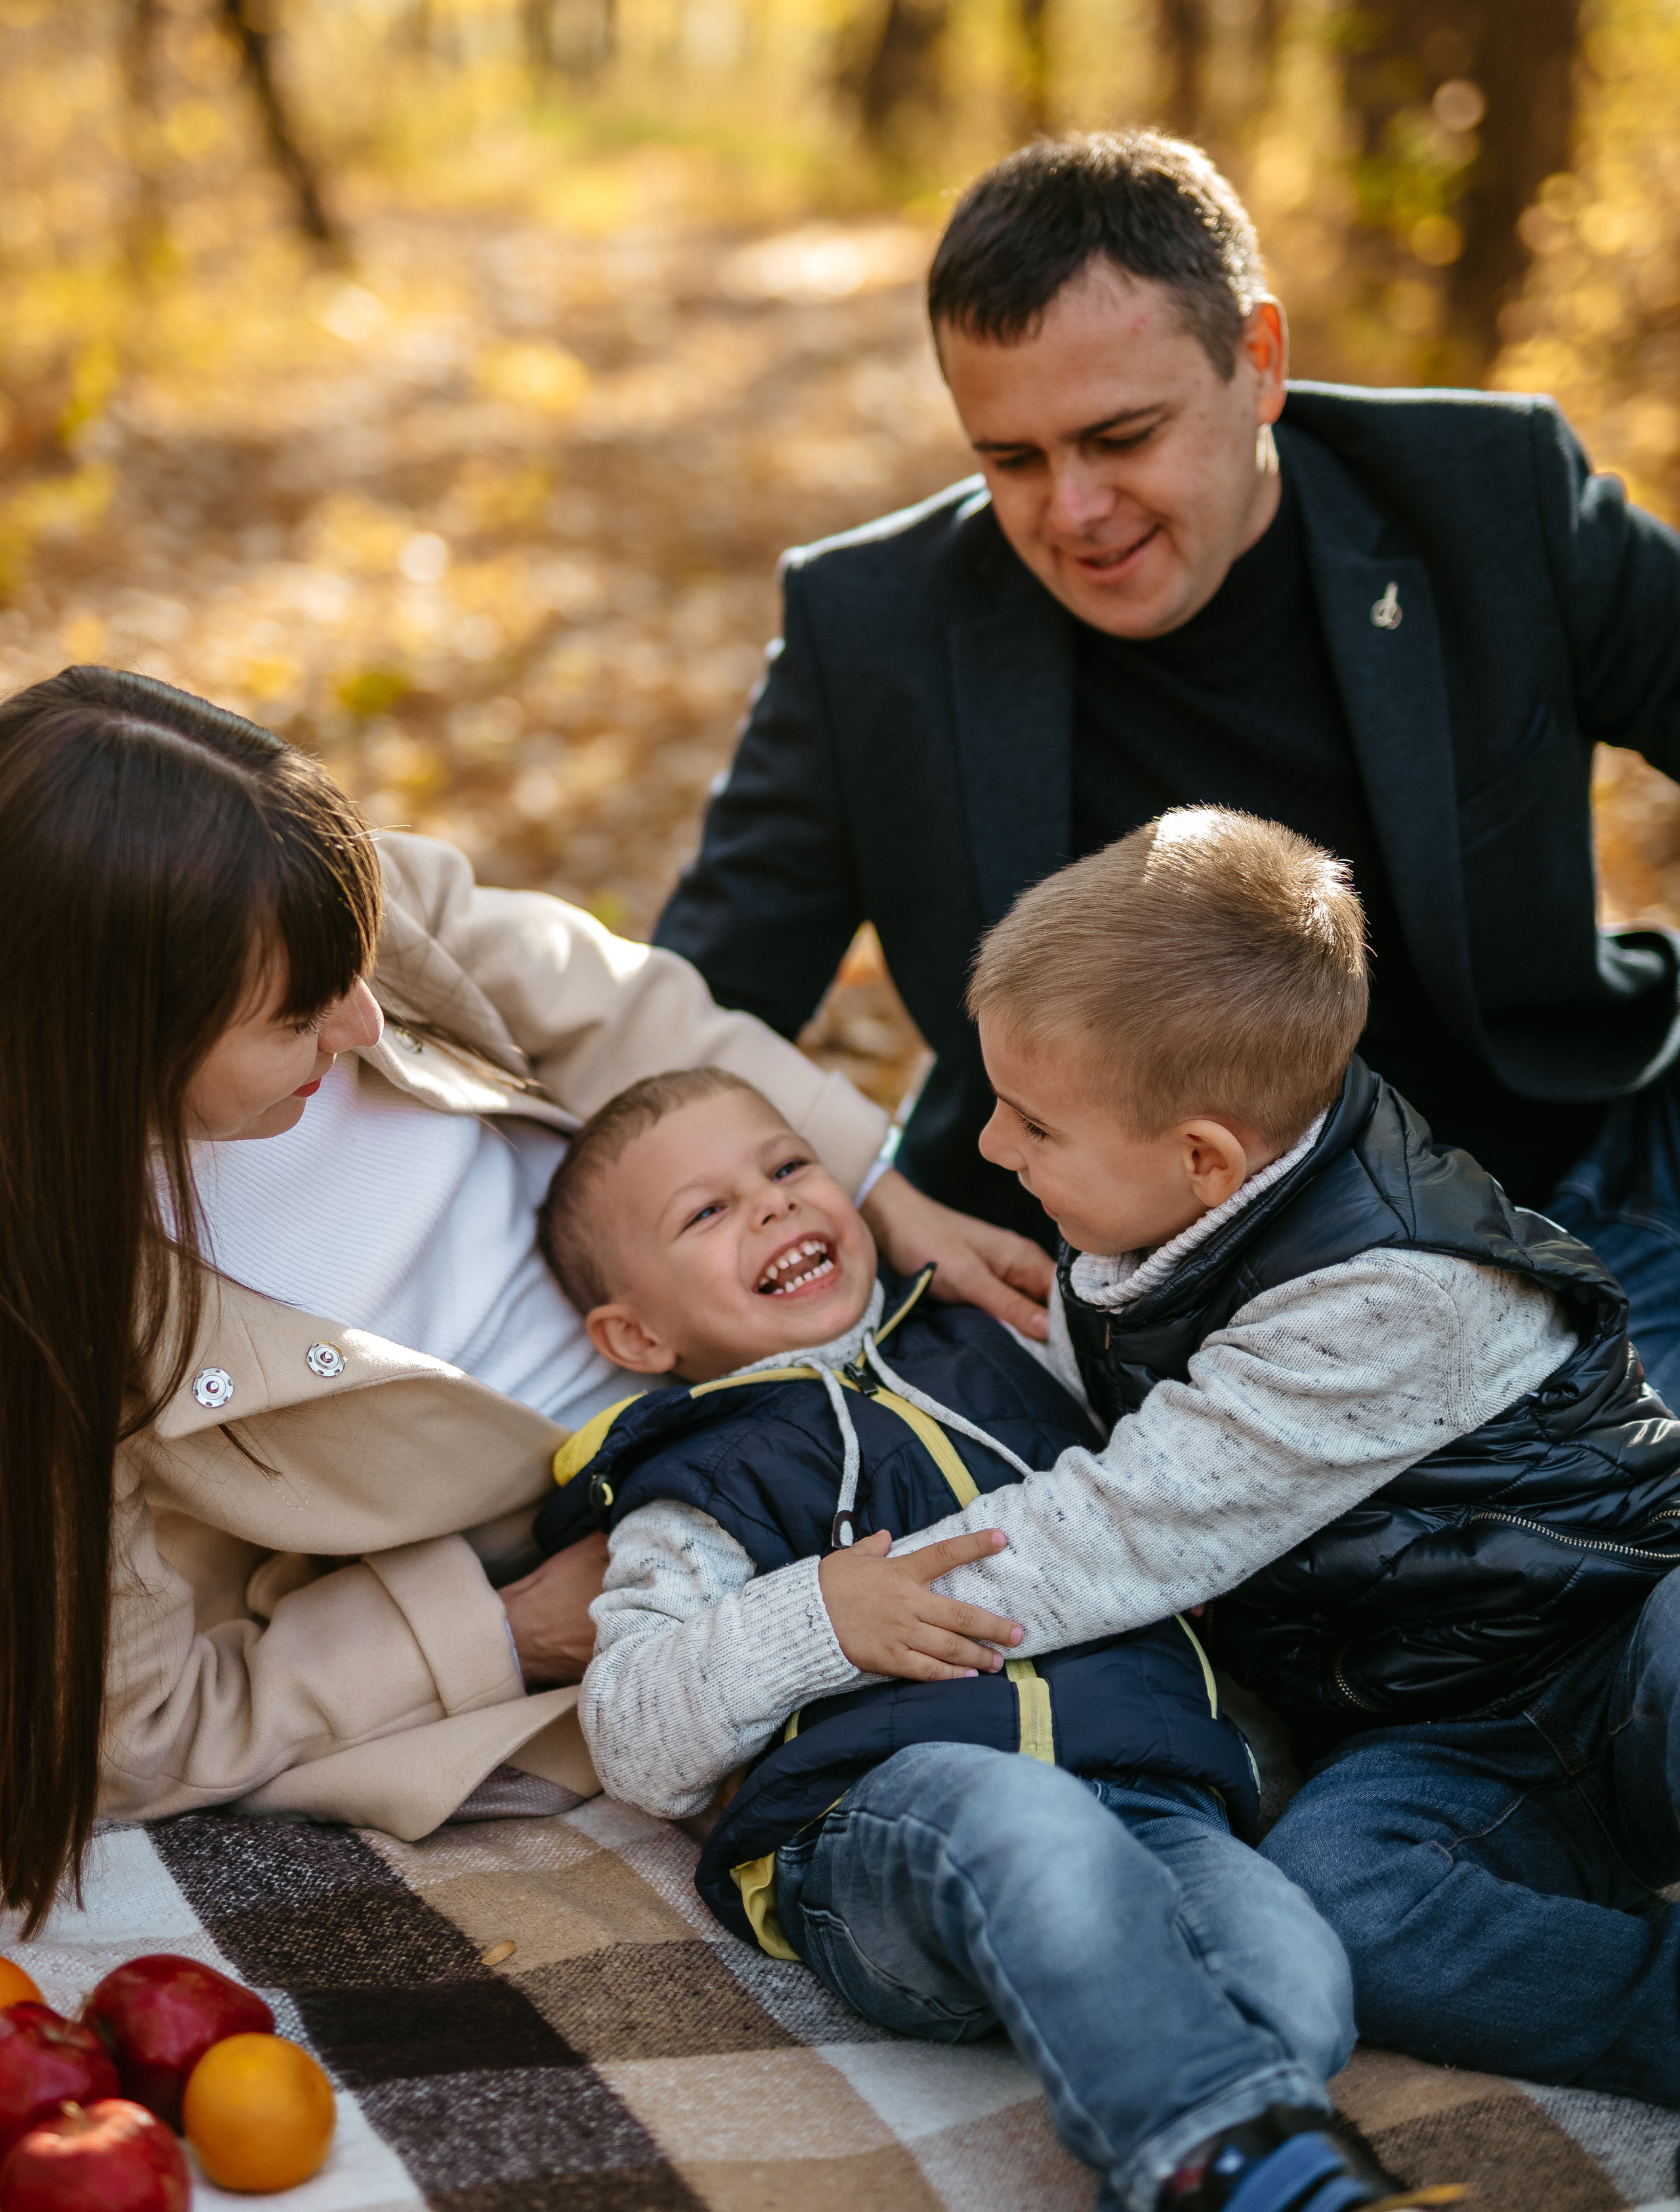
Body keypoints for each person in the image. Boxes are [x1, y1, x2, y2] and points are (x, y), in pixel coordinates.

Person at [0, 664, 1042, 1935]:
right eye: (293, 1020)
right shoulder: (53, 1317)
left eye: (358, 961)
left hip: (815, 1331)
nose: (366, 1019)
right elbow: (141, 1730)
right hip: (641, 1545)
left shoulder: (293, 904)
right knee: (973, 1796)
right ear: (113, 1045)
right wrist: (501, 1630)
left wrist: (879, 1184)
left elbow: (616, 1005)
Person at [664, 808, 1680, 2106]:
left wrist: (816, 1624)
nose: (986, 1150)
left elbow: (1106, 1535)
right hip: (1440, 1728)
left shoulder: (1387, 1293)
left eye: (1029, 1125)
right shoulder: (1154, 1227)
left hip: (1621, 1627)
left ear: (1202, 1160)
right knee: (1341, 1904)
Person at [654, 128, 1680, 1412]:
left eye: (1119, 436)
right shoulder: (870, 635)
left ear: (1256, 362)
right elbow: (688, 1015)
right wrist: (876, 1197)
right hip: (1122, 1306)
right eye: (1009, 460)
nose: (1070, 511)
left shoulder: (1487, 499)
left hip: (1563, 1209)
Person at [530, 1067, 1450, 2212]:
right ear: (634, 1331)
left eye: (787, 1167)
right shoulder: (698, 1479)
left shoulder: (1003, 1338)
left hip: (1152, 1794)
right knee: (1029, 1827)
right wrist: (821, 1616)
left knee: (1297, 1976)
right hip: (892, 1831)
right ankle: (1241, 2168)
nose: (772, 1206)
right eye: (707, 1212)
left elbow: (1176, 1480)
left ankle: (1206, 2150)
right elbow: (628, 1734)